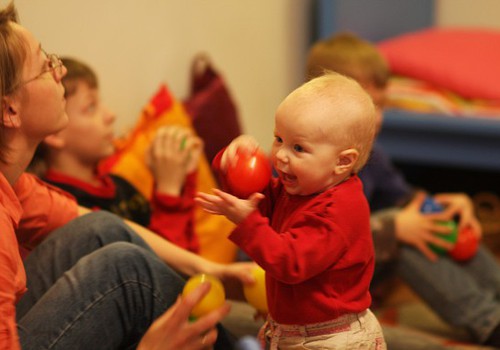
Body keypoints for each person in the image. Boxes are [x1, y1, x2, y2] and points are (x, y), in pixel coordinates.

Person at [0, 3, 255, 349]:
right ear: (10, 109)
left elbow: (92, 221)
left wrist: (211, 270)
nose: (58, 70)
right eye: (45, 66)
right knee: (124, 271)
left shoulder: (14, 184)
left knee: (99, 230)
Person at [306, 32, 500, 347]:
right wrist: (394, 228)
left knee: (429, 218)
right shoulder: (306, 164)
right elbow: (316, 242)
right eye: (370, 107)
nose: (378, 120)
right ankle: (489, 321)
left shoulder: (371, 155)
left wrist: (444, 206)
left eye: (382, 107)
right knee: (404, 230)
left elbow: (406, 198)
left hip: (360, 266)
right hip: (319, 282)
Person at [197, 73, 386, 349]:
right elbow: (259, 200)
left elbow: (290, 262)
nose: (281, 155)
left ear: (342, 162)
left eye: (298, 148)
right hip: (294, 330)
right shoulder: (300, 188)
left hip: (332, 339)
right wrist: (232, 160)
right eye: (278, 139)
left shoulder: (339, 210)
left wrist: (247, 221)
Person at [30, 57, 201, 253]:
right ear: (55, 133)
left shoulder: (120, 186)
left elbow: (187, 259)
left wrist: (183, 179)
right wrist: (168, 191)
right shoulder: (61, 206)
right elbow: (151, 274)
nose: (110, 115)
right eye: (91, 107)